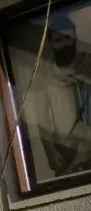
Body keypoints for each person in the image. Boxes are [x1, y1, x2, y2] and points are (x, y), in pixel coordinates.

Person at [30, 14, 91, 179]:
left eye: (68, 38)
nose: (64, 44)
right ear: (51, 43)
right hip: (69, 150)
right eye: (58, 40)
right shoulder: (43, 77)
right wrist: (50, 149)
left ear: (75, 37)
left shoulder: (88, 64)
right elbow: (40, 117)